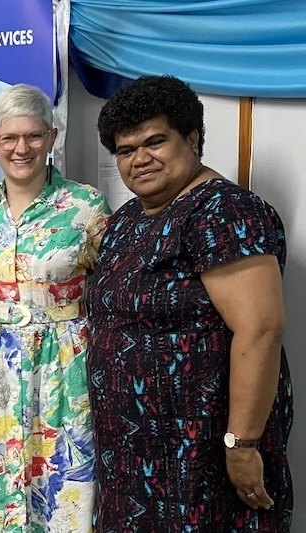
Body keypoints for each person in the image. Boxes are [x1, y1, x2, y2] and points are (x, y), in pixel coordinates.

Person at [88, 75, 292, 531]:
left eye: (155, 141)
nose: (140, 159)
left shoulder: (224, 212)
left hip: (199, 454)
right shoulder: (127, 219)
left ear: (193, 138)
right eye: (125, 150)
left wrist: (242, 445)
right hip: (134, 459)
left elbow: (260, 330)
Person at [0, 84, 110, 532]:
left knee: (61, 486)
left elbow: (112, 289)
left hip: (64, 365)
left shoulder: (85, 206)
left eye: (34, 136)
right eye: (10, 138)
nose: (22, 148)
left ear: (52, 138)